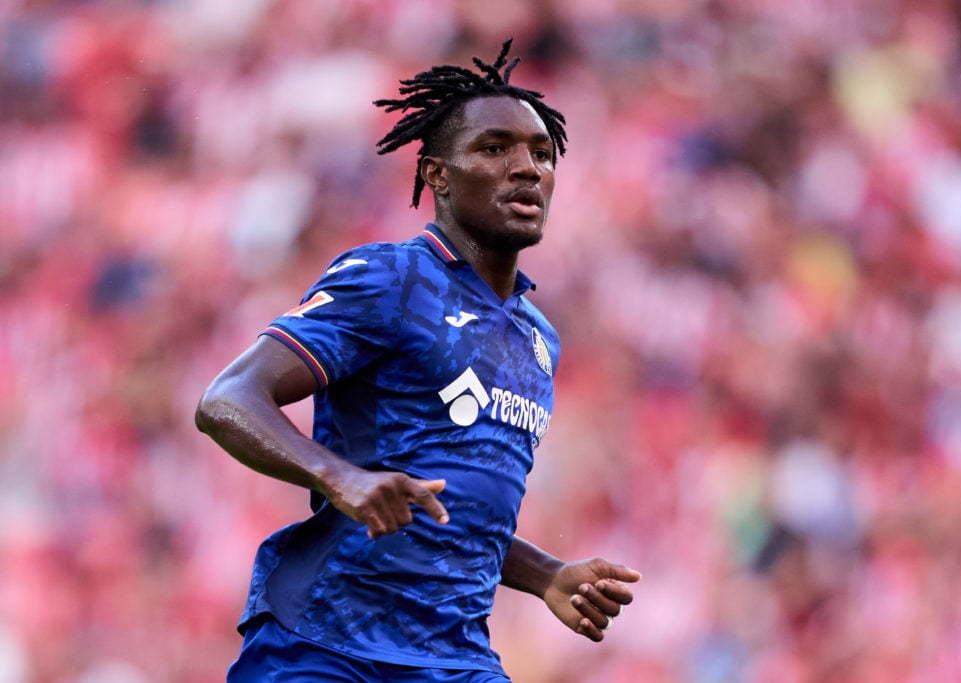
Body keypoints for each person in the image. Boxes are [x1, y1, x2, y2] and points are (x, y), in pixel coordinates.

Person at [196, 39, 641, 682]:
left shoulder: (539, 338)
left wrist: (547, 575)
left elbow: (450, 506)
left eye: (541, 155)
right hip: (324, 644)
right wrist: (341, 478)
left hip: (452, 657)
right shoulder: (391, 279)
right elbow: (227, 399)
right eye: (495, 149)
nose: (527, 169)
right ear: (437, 174)